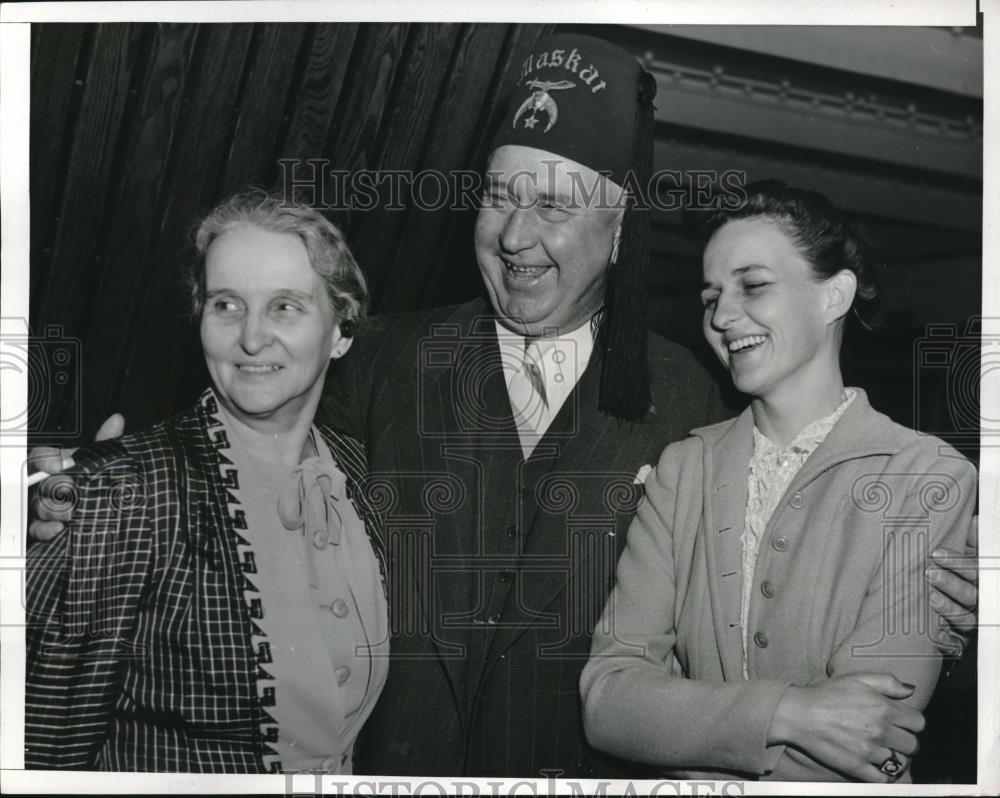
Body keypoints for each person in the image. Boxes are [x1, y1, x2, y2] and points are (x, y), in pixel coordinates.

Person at [29, 34, 979, 778]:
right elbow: (253, 456)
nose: (517, 235)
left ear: (618, 231)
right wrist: (88, 493)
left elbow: (761, 615)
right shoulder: (384, 356)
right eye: (496, 197)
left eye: (556, 205)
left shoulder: (689, 396)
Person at [579, 181, 978, 782]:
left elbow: (872, 732)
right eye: (711, 295)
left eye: (753, 285)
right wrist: (789, 712)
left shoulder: (927, 476)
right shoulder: (683, 469)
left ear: (834, 295)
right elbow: (608, 701)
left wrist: (683, 723)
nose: (721, 316)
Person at [25, 191, 388, 773]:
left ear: (342, 330)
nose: (250, 338)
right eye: (226, 305)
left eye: (285, 307)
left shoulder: (361, 477)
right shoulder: (121, 492)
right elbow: (37, 737)